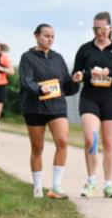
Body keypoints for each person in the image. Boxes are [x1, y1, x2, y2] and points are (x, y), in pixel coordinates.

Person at [72, 12, 112, 199]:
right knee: (91, 138)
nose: (99, 32)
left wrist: (109, 73)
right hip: (89, 97)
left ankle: (109, 184)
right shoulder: (85, 49)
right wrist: (85, 75)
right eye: (96, 28)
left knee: (109, 141)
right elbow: (76, 74)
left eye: (103, 28)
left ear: (110, 28)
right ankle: (91, 180)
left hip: (111, 99)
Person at [18, 24, 80, 199]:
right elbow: (26, 81)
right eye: (46, 36)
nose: (50, 39)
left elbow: (66, 85)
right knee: (37, 148)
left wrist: (75, 81)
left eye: (52, 36)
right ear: (36, 36)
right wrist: (39, 90)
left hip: (56, 106)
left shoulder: (58, 58)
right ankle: (37, 187)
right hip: (34, 107)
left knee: (62, 141)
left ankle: (55, 186)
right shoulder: (27, 58)